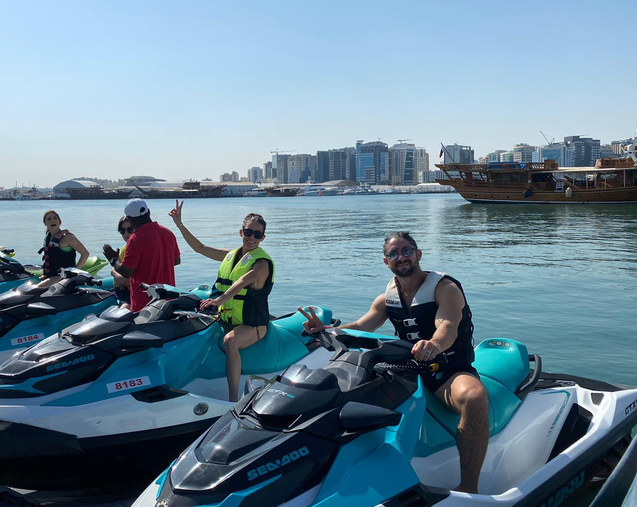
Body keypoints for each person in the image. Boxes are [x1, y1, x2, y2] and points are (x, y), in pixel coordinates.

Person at [299, 231, 488, 494]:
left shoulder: (445, 289)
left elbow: (447, 326)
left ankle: (470, 487)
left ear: (418, 254)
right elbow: (361, 327)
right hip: (408, 371)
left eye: (407, 250)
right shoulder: (388, 298)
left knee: (474, 397)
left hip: (448, 371)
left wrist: (433, 344)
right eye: (394, 253)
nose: (401, 257)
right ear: (386, 262)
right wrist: (326, 331)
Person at [169, 200, 273, 402]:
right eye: (248, 232)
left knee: (230, 341)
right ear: (241, 232)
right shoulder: (230, 255)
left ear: (263, 237)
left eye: (257, 234)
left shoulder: (261, 264)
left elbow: (243, 281)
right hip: (227, 318)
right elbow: (200, 247)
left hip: (253, 324)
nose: (252, 238)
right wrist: (180, 224)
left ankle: (232, 400)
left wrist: (219, 300)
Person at [103, 199, 180, 312]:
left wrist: (113, 259)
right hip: (168, 300)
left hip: (145, 303)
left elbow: (126, 272)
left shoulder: (135, 239)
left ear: (129, 218)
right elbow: (176, 261)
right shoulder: (168, 233)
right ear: (148, 212)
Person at [38, 210, 90, 283]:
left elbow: (85, 254)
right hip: (50, 276)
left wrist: (74, 272)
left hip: (63, 277)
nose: (52, 221)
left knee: (37, 288)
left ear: (59, 221)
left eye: (55, 218)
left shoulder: (67, 238)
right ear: (45, 223)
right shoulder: (48, 238)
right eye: (49, 219)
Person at [108, 216, 134, 306]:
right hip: (121, 291)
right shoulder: (125, 248)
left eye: (130, 230)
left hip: (131, 294)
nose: (126, 233)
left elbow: (126, 280)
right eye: (122, 231)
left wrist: (113, 272)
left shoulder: (135, 249)